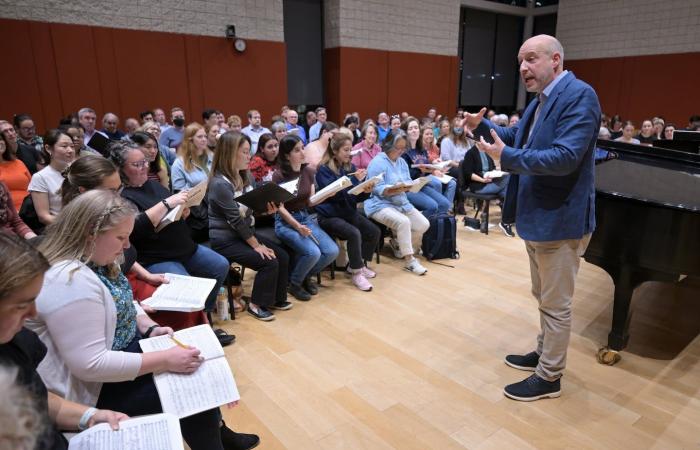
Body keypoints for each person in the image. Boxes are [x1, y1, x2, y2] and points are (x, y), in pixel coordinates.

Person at [25, 191, 259, 450]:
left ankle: (216, 433)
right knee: (190, 389)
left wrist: (150, 328)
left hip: (121, 351)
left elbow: (125, 301)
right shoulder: (69, 280)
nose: (127, 246)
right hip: (89, 386)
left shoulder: (97, 259)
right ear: (91, 232)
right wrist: (165, 359)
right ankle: (213, 439)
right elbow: (90, 365)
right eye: (121, 238)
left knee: (196, 371)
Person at [467, 34, 600, 401]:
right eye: (520, 61)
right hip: (539, 216)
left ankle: (550, 377)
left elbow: (564, 158)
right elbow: (515, 136)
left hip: (560, 219)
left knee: (556, 304)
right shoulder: (542, 100)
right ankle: (544, 353)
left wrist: (505, 157)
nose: (523, 67)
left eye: (531, 59)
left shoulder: (579, 95)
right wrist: (480, 127)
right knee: (543, 296)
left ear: (555, 60)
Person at [0, 233, 129, 450]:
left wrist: (89, 416)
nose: (33, 313)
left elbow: (37, 399)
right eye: (22, 305)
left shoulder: (17, 340)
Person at [61, 154, 207, 332]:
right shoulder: (82, 232)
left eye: (119, 189)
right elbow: (107, 290)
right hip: (119, 291)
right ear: (85, 192)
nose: (118, 197)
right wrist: (134, 308)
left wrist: (146, 275)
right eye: (111, 192)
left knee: (191, 303)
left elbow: (120, 258)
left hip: (127, 280)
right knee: (182, 311)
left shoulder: (109, 217)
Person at [109, 142, 233, 346]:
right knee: (185, 289)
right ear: (121, 169)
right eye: (137, 164)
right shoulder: (122, 196)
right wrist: (168, 204)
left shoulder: (153, 184)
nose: (145, 167)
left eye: (145, 162)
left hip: (184, 247)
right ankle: (198, 330)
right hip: (157, 256)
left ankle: (204, 316)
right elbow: (136, 228)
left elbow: (171, 209)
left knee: (219, 265)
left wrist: (183, 210)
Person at [209, 132, 292, 321]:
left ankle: (275, 299)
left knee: (283, 256)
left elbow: (249, 209)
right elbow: (236, 221)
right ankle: (256, 305)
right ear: (229, 154)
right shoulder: (219, 184)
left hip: (243, 234)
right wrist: (256, 245)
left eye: (249, 152)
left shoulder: (245, 176)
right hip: (225, 240)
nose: (250, 157)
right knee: (268, 261)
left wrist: (265, 211)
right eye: (245, 152)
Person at [272, 134, 339, 300]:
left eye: (303, 148)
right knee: (313, 253)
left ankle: (303, 276)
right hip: (285, 222)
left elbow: (310, 202)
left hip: (305, 217)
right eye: (297, 150)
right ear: (287, 155)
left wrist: (329, 193)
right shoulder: (279, 175)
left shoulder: (308, 171)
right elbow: (279, 208)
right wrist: (297, 226)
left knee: (332, 251)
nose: (303, 152)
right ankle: (294, 284)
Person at [316, 132, 380, 291]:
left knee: (374, 231)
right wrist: (354, 182)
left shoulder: (350, 167)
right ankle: (357, 274)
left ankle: (355, 264)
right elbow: (335, 196)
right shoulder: (323, 169)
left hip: (346, 212)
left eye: (350, 149)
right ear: (335, 151)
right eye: (345, 150)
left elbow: (354, 198)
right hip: (328, 215)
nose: (349, 153)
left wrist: (365, 189)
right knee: (354, 233)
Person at [365, 130, 430, 275]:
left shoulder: (401, 162)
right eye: (398, 147)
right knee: (404, 222)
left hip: (400, 202)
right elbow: (375, 188)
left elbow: (407, 181)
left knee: (423, 224)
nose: (401, 151)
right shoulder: (377, 162)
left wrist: (410, 185)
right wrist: (390, 189)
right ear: (388, 146)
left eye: (403, 148)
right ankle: (410, 261)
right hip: (379, 204)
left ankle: (399, 245)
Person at [401, 117, 455, 217]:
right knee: (432, 206)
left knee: (445, 204)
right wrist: (420, 171)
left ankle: (436, 229)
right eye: (411, 128)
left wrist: (432, 170)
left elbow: (426, 169)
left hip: (422, 184)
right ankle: (420, 228)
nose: (414, 130)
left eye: (416, 128)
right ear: (406, 132)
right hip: (409, 188)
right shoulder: (403, 151)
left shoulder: (421, 149)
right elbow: (404, 174)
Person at [461, 144, 513, 236]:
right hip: (478, 185)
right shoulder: (470, 153)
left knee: (506, 186)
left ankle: (505, 220)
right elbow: (468, 174)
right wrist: (483, 180)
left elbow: (492, 168)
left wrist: (497, 172)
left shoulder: (487, 152)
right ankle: (506, 219)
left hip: (489, 181)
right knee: (509, 179)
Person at [28, 129, 75, 226]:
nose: (70, 150)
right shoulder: (40, 177)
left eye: (72, 146)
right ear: (48, 149)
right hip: (61, 227)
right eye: (64, 146)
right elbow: (44, 216)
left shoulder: (79, 169)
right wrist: (72, 226)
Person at [0, 130, 32, 210]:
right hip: (7, 215)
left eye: (1, 139)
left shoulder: (18, 162)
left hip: (30, 210)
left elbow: (32, 188)